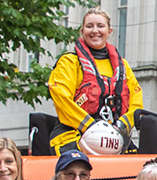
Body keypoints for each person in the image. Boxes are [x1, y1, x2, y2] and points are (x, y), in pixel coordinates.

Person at [48, 8, 142, 154]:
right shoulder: (70, 62)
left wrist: (123, 125)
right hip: (74, 136)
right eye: (89, 26)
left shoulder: (123, 66)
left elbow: (136, 102)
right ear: (82, 31)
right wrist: (90, 126)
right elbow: (61, 98)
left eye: (100, 26)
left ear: (109, 31)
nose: (95, 31)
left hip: (114, 138)